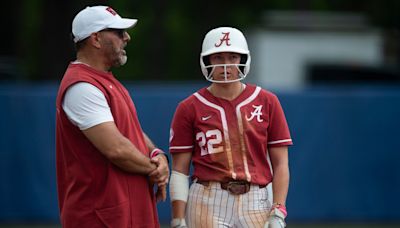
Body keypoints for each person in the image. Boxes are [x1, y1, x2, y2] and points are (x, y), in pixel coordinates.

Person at [55, 6, 169, 228]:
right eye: (118, 32)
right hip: (100, 215)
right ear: (96, 39)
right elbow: (116, 148)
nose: (127, 38)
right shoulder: (82, 86)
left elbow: (130, 132)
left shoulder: (105, 79)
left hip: (123, 210)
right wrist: (154, 169)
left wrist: (157, 155)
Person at [168, 27, 293, 228]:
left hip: (256, 196)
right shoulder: (189, 107)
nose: (226, 64)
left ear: (243, 58)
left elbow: (280, 164)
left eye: (232, 56)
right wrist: (178, 217)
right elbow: (180, 170)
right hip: (208, 196)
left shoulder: (267, 101)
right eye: (218, 57)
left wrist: (279, 209)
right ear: (207, 60)